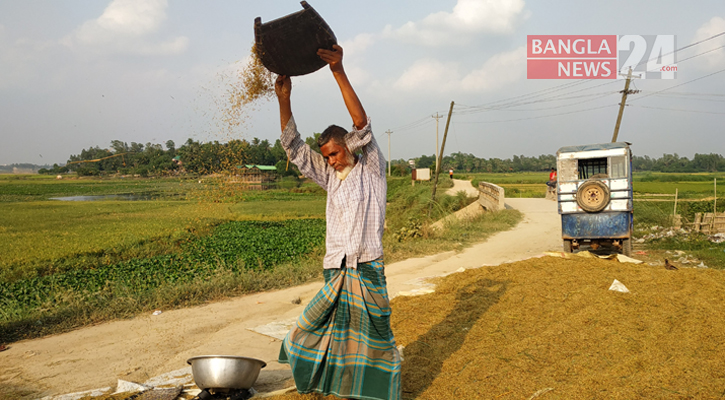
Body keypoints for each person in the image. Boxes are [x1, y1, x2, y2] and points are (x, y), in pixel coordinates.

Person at [274, 44, 401, 400]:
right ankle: (337, 388)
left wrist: (337, 70)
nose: (330, 161)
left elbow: (362, 123)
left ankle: (377, 390)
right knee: (325, 331)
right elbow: (294, 148)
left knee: (376, 335)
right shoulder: (329, 177)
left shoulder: (371, 168)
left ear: (350, 146)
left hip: (368, 267)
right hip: (336, 268)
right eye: (326, 156)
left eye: (335, 153)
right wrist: (285, 98)